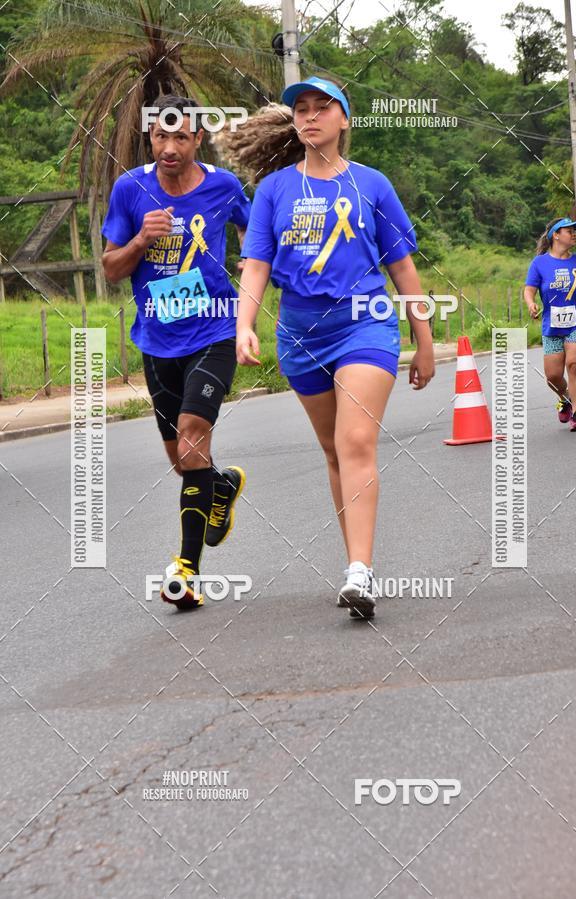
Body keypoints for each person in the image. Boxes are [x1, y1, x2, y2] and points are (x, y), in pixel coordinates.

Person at [229, 76, 435, 620]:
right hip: (300, 333)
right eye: (302, 108)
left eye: (324, 107)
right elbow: (256, 266)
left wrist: (425, 340)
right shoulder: (273, 190)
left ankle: (360, 572)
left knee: (356, 439)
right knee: (332, 450)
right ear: (293, 120)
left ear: (345, 120)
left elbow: (403, 268)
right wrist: (243, 324)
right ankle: (354, 563)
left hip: (365, 323)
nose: (311, 115)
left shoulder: (373, 185)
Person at [102, 94, 249, 609]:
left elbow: (258, 240)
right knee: (184, 460)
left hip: (214, 332)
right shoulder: (130, 189)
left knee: (191, 443)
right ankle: (221, 486)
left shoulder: (224, 187)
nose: (169, 147)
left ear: (198, 138)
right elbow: (112, 268)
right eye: (161, 137)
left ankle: (186, 571)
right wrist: (141, 239)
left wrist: (254, 304)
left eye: (180, 137)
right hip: (156, 341)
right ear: (150, 136)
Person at [524, 217, 576, 432]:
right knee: (553, 376)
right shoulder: (539, 263)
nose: (573, 234)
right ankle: (565, 398)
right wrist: (531, 304)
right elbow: (529, 289)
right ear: (555, 235)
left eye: (574, 231)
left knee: (574, 365)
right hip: (552, 326)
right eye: (569, 231)